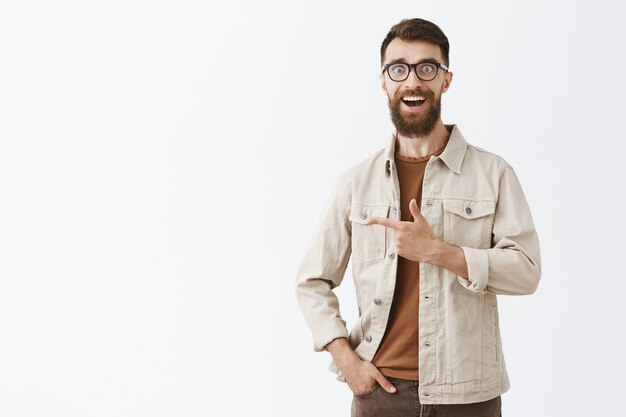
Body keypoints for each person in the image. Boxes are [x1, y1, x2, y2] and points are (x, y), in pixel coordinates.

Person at [294, 17, 541, 417]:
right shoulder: (355, 184)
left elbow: (527, 271)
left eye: (427, 68)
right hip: (379, 395)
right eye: (399, 68)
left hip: (469, 397)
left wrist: (441, 252)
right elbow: (311, 282)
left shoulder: (493, 174)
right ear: (384, 82)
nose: (413, 81)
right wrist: (347, 362)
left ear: (446, 80)